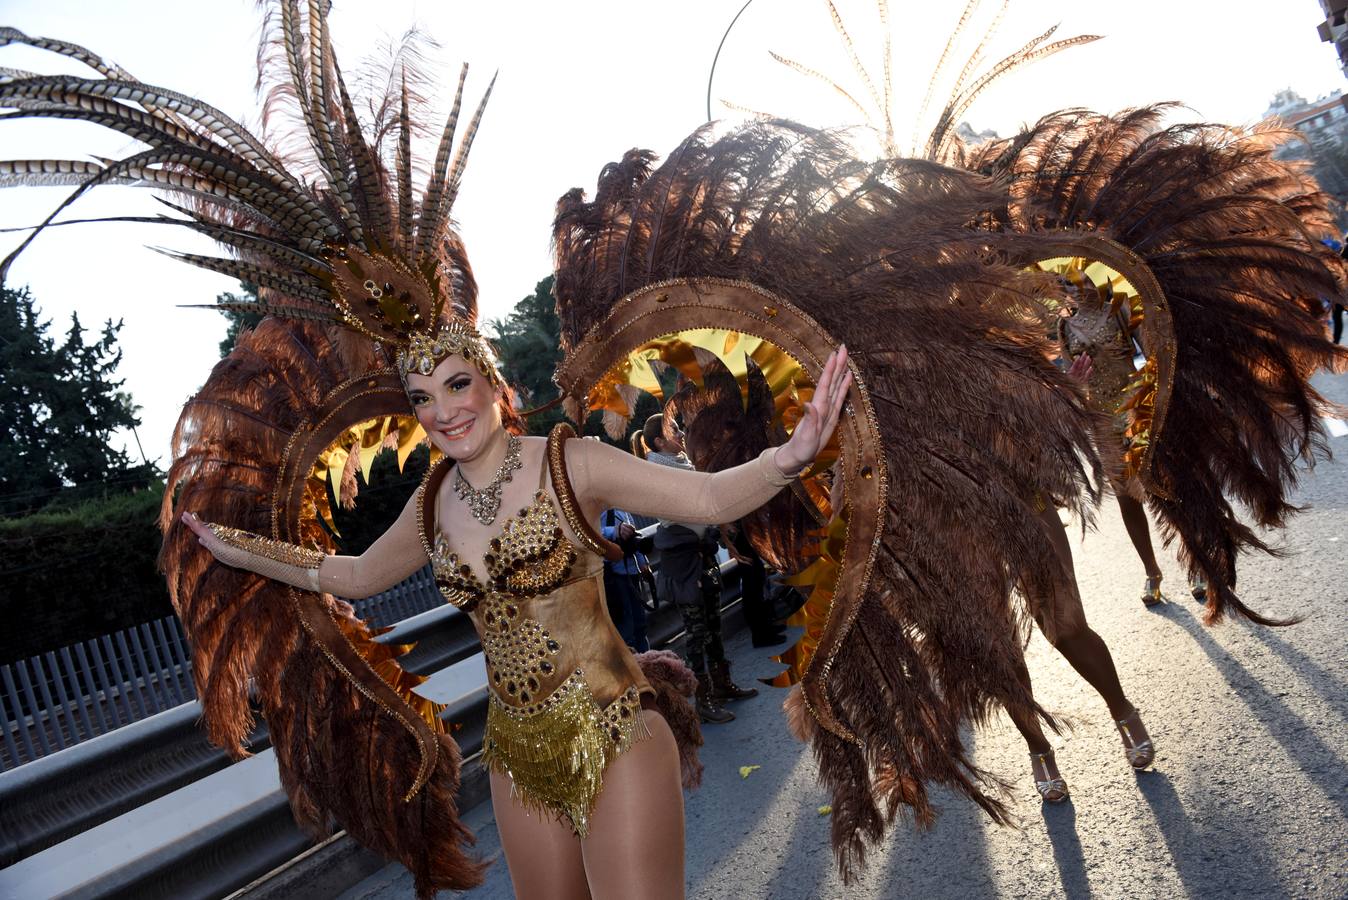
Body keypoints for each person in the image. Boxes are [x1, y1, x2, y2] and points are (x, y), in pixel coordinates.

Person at [185, 340, 853, 899]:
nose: (443, 412)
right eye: (422, 399)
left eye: (456, 385)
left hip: (613, 732)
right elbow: (355, 574)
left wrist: (787, 459)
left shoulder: (573, 461)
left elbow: (706, 497)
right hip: (514, 757)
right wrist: (241, 550)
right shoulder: (431, 502)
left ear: (491, 384)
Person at [635, 414, 759, 724]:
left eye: (678, 428)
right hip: (685, 566)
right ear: (659, 442)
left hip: (702, 559)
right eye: (672, 430)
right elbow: (686, 510)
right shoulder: (656, 473)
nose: (680, 433)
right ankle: (702, 700)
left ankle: (722, 685)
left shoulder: (684, 465)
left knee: (713, 629)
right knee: (697, 635)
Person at [601, 507, 652, 652]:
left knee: (640, 626)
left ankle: (646, 668)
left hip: (631, 573)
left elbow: (632, 538)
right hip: (613, 578)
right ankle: (634, 671)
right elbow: (585, 533)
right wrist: (614, 531)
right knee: (626, 631)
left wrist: (643, 563)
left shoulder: (622, 508)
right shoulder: (596, 506)